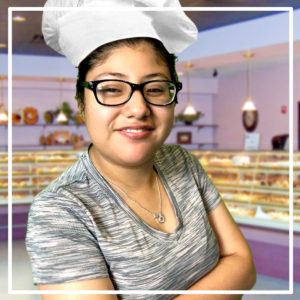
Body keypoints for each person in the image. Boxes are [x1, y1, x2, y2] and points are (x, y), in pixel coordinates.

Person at [26, 1, 256, 299]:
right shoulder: (60, 211)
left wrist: (235, 270)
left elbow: (244, 265)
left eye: (156, 88)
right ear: (81, 103)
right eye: (111, 89)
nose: (138, 108)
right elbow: (233, 268)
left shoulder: (182, 162)